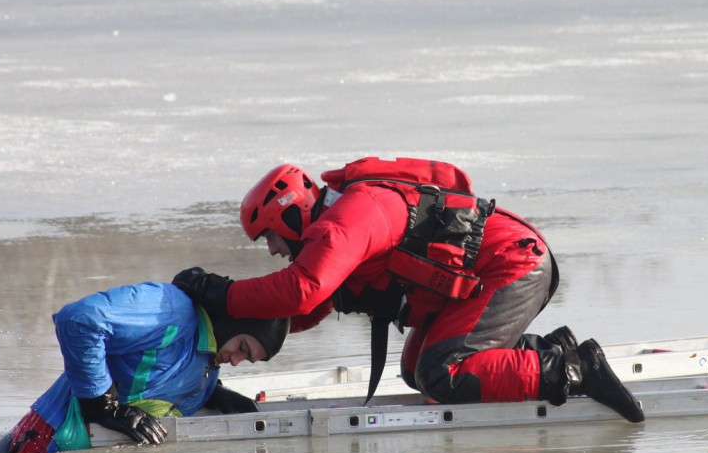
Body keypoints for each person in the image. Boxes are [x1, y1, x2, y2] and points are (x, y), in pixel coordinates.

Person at [174, 156, 644, 422]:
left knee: (444, 375)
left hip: (512, 264)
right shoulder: (333, 231)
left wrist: (220, 292)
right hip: (485, 279)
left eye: (271, 238)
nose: (273, 250)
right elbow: (311, 307)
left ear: (288, 214)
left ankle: (573, 367)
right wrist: (230, 339)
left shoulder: (348, 218)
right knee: (416, 369)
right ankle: (540, 350)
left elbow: (302, 290)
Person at [0, 281, 289, 453]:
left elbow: (158, 382)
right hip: (43, 443)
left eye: (246, 360)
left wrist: (214, 395)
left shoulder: (208, 356)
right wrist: (101, 404)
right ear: (234, 321)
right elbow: (79, 320)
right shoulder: (170, 309)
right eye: (243, 348)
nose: (235, 360)